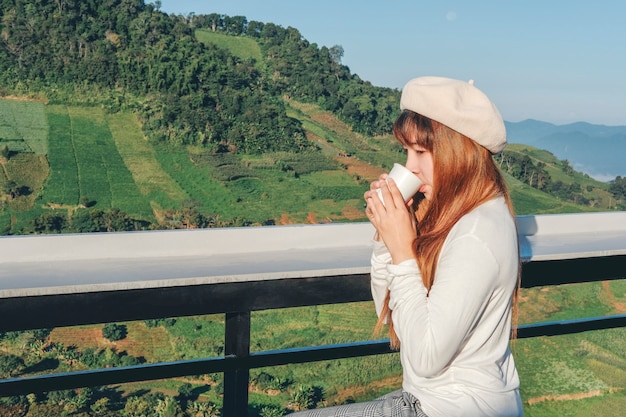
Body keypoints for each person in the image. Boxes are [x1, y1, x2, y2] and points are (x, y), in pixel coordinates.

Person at [286, 76, 523, 416]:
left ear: (459, 152)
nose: (410, 166)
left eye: (421, 152)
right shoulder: (459, 213)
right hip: (433, 400)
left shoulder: (476, 232)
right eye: (407, 151)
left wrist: (402, 250)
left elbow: (425, 357)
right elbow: (388, 309)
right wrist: (388, 237)